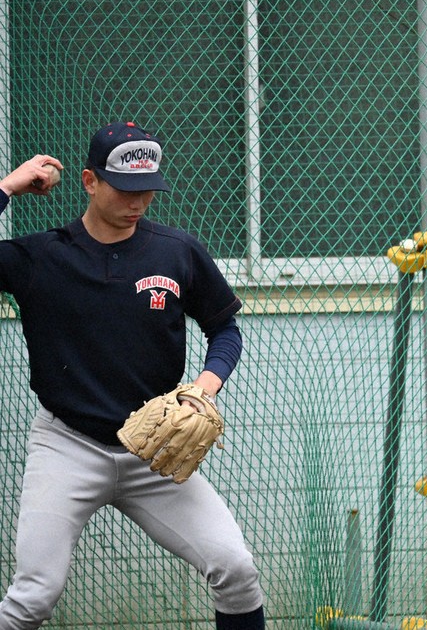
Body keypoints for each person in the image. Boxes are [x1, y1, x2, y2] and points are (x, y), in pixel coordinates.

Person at [0, 122, 265, 629]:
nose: (138, 201)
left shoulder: (176, 250)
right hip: (68, 446)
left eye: (147, 189)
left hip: (152, 452)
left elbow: (224, 328)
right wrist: (7, 188)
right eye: (125, 188)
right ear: (89, 181)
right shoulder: (42, 257)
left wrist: (203, 389)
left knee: (236, 569)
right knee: (33, 597)